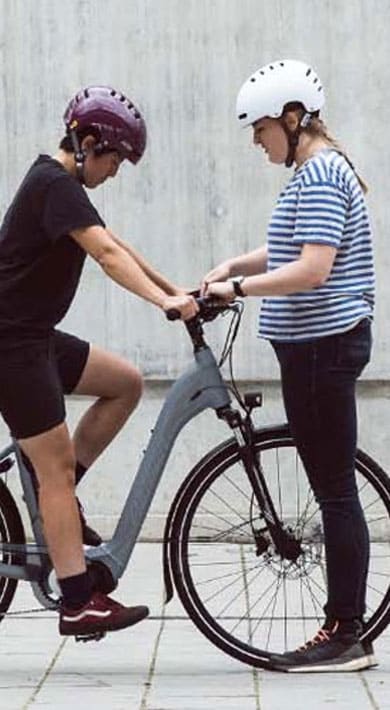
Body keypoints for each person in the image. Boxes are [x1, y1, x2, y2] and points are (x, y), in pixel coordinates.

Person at [0, 85, 198, 638]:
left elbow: (118, 245)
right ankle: (78, 601)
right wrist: (163, 305)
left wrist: (174, 290)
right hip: (10, 345)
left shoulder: (63, 188)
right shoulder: (52, 183)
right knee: (55, 469)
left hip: (32, 336)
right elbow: (107, 257)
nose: (116, 171)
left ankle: (57, 499)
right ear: (87, 143)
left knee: (125, 383)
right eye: (115, 158)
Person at [202, 60, 376, 672]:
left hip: (325, 347)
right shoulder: (310, 173)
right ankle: (346, 626)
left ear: (293, 118)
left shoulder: (322, 173)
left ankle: (346, 631)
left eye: (261, 129)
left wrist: (239, 293)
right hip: (311, 348)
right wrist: (232, 266)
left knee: (334, 491)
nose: (256, 141)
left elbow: (314, 270)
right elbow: (289, 249)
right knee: (332, 486)